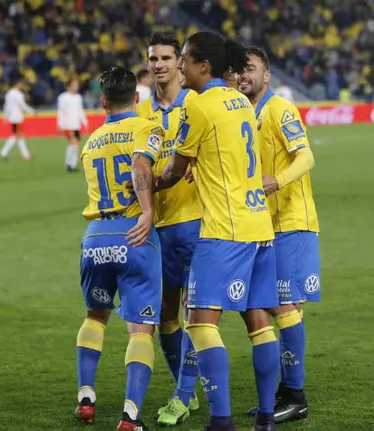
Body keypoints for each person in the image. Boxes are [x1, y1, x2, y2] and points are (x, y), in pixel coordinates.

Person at [156, 31, 280, 431]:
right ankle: (265, 418)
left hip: (224, 229)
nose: (179, 66)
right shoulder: (240, 101)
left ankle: (222, 421)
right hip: (259, 224)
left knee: (199, 322)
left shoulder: (198, 105)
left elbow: (175, 168)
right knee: (258, 320)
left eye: (185, 60)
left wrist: (151, 183)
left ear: (202, 65)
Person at [74, 66, 165, 431]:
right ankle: (130, 416)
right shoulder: (145, 128)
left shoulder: (91, 141)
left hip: (95, 237)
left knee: (95, 316)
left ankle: (85, 398)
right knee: (141, 328)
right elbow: (140, 164)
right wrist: (148, 209)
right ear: (138, 98)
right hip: (134, 235)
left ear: (103, 101)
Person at [239, 47, 317, 423]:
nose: (243, 76)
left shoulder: (280, 109)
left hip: (290, 221)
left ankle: (296, 396)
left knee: (284, 307)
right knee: (275, 306)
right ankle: (284, 394)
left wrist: (278, 180)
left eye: (251, 69)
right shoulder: (243, 114)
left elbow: (306, 157)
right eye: (239, 70)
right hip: (264, 225)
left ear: (266, 76)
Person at [134, 31, 201, 426]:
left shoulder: (196, 103)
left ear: (179, 62)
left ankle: (181, 395)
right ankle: (185, 386)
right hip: (157, 229)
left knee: (196, 315)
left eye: (165, 57)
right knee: (165, 314)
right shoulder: (140, 112)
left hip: (196, 223)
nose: (158, 64)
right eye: (152, 58)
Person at [0, 78, 35, 161]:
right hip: (17, 117)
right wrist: (31, 111)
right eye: (21, 84)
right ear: (17, 84)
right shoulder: (18, 94)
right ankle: (24, 155)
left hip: (12, 117)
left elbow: (6, 106)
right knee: (17, 136)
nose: (22, 86)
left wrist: (5, 117)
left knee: (17, 136)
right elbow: (22, 105)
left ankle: (24, 154)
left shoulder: (9, 94)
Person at [57, 78, 88, 172]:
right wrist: (60, 124)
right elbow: (61, 111)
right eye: (74, 85)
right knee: (74, 144)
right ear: (69, 86)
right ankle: (69, 164)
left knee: (75, 144)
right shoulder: (63, 97)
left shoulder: (78, 97)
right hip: (67, 125)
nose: (76, 87)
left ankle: (71, 164)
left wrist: (85, 122)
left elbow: (80, 111)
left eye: (77, 85)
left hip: (76, 125)